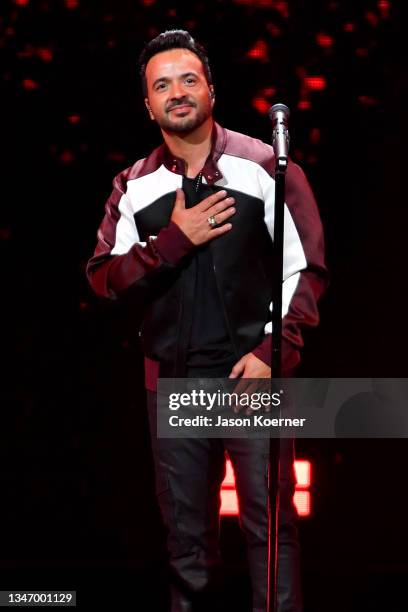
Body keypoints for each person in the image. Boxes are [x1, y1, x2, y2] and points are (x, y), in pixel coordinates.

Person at [86, 29, 328, 612]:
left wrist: (274, 351)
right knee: (187, 547)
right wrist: (172, 240)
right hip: (172, 382)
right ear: (148, 104)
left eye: (188, 79)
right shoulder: (134, 184)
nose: (176, 92)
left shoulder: (266, 166)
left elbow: (307, 268)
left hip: (253, 377)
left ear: (211, 91)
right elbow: (104, 278)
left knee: (270, 533)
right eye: (161, 85)